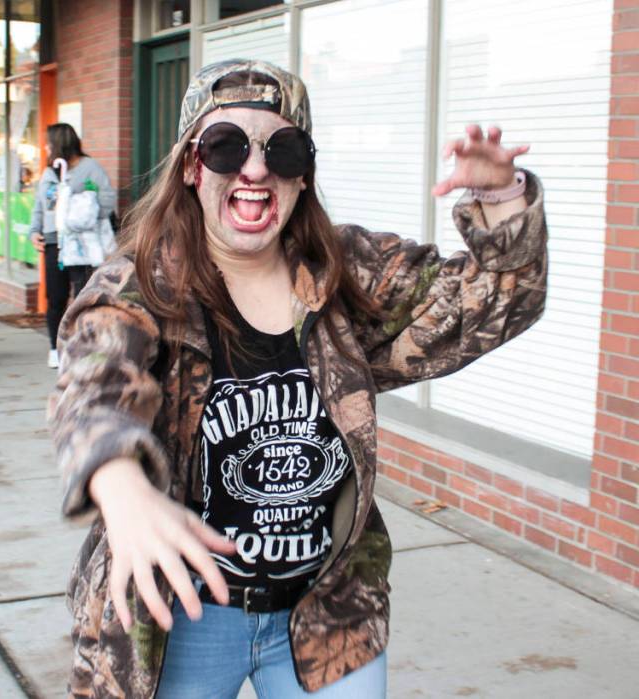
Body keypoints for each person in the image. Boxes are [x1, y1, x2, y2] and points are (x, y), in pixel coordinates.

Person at [49, 59, 547, 698]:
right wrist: (120, 485)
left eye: (281, 149)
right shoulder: (140, 285)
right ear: (192, 167)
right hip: (182, 616)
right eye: (227, 147)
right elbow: (94, 383)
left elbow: (500, 301)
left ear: (302, 174)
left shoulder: (345, 273)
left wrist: (501, 201)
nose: (255, 169)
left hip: (326, 615)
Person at [30, 123, 116, 369]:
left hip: (83, 245)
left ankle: (84, 345)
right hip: (54, 241)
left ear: (60, 143)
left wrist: (81, 212)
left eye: (49, 143)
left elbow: (108, 199)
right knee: (55, 296)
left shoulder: (91, 168)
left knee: (83, 295)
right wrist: (34, 231)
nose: (46, 147)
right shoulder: (50, 172)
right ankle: (54, 347)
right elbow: (40, 205)